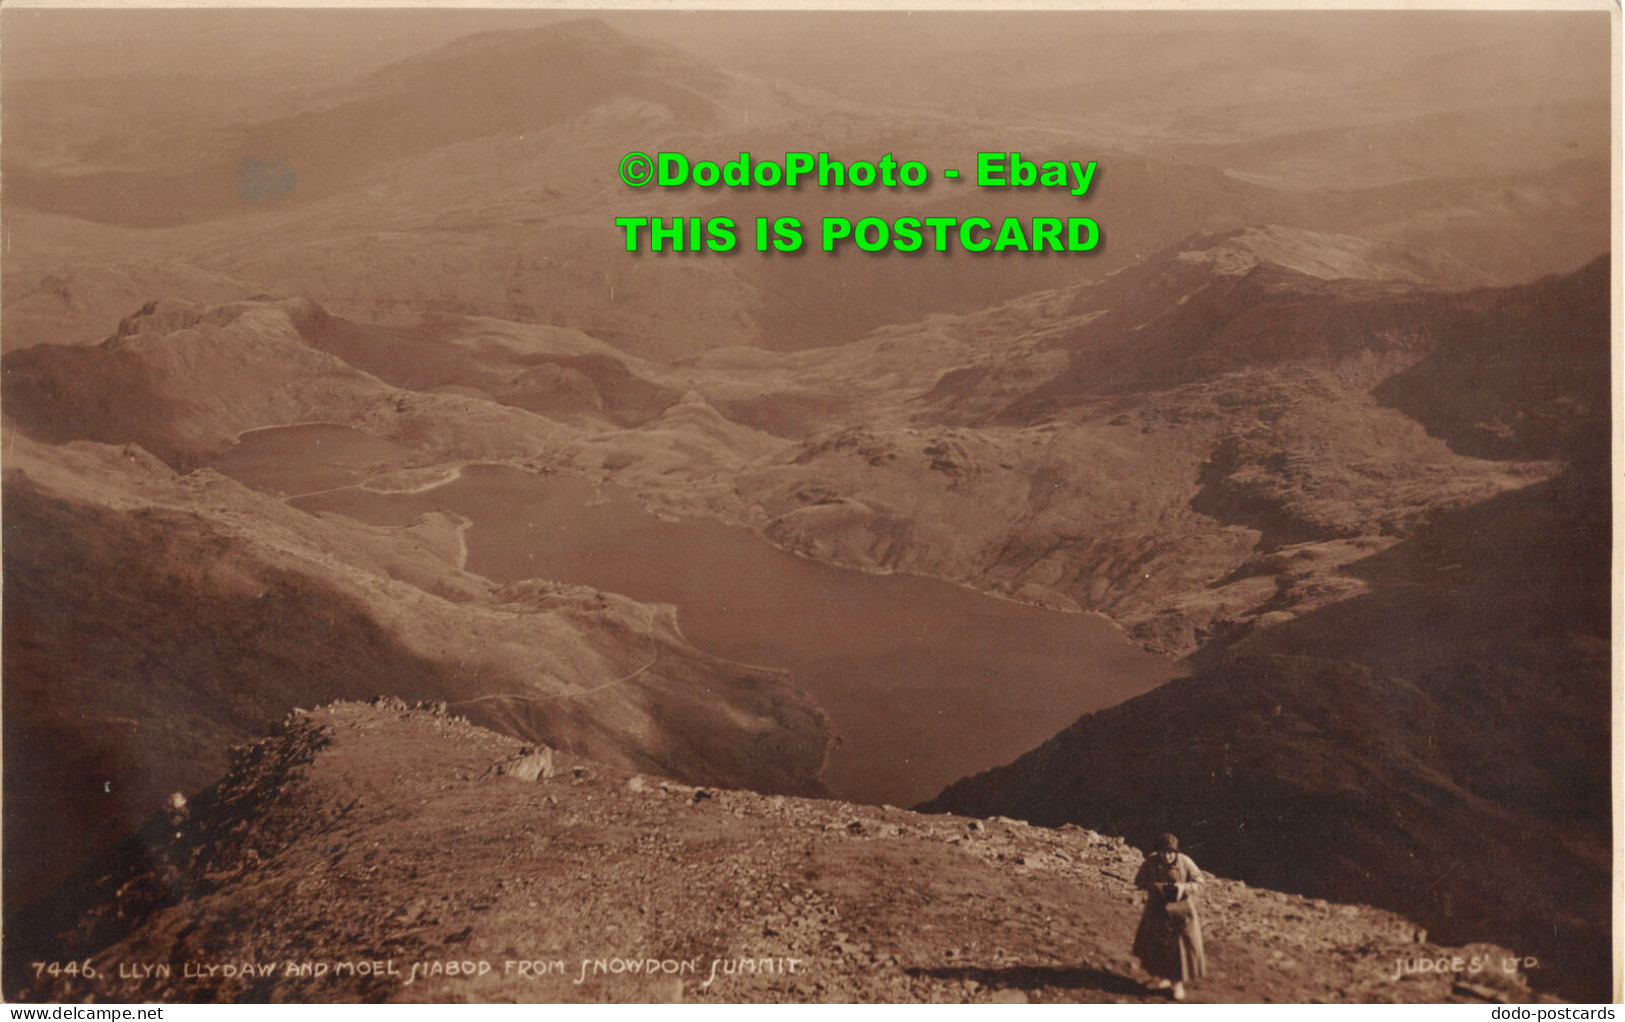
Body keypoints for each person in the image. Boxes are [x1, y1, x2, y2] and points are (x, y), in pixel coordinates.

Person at [1132, 832, 1206, 1000]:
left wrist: (1183, 888)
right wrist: (1156, 887)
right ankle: (1164, 978)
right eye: (1163, 852)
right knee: (1158, 945)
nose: (1166, 856)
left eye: (1170, 852)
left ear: (1176, 852)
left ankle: (1177, 984)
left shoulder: (1185, 862)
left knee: (1179, 949)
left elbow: (1200, 883)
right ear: (1158, 851)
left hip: (1181, 913)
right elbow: (1139, 881)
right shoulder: (1151, 862)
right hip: (1157, 911)